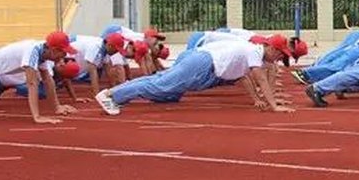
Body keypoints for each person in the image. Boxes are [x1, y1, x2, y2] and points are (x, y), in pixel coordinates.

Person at [94, 34, 295, 115]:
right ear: (270, 48)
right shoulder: (253, 51)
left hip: (199, 59)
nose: (278, 58)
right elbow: (259, 77)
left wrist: (257, 99)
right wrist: (274, 106)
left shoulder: (251, 51)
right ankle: (111, 96)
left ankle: (112, 93)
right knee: (159, 86)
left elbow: (243, 77)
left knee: (159, 82)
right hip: (201, 63)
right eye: (278, 53)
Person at [0, 31, 78, 123]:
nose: (64, 56)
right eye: (63, 52)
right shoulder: (33, 51)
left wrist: (57, 107)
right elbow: (32, 84)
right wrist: (37, 117)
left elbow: (48, 80)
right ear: (53, 50)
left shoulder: (41, 53)